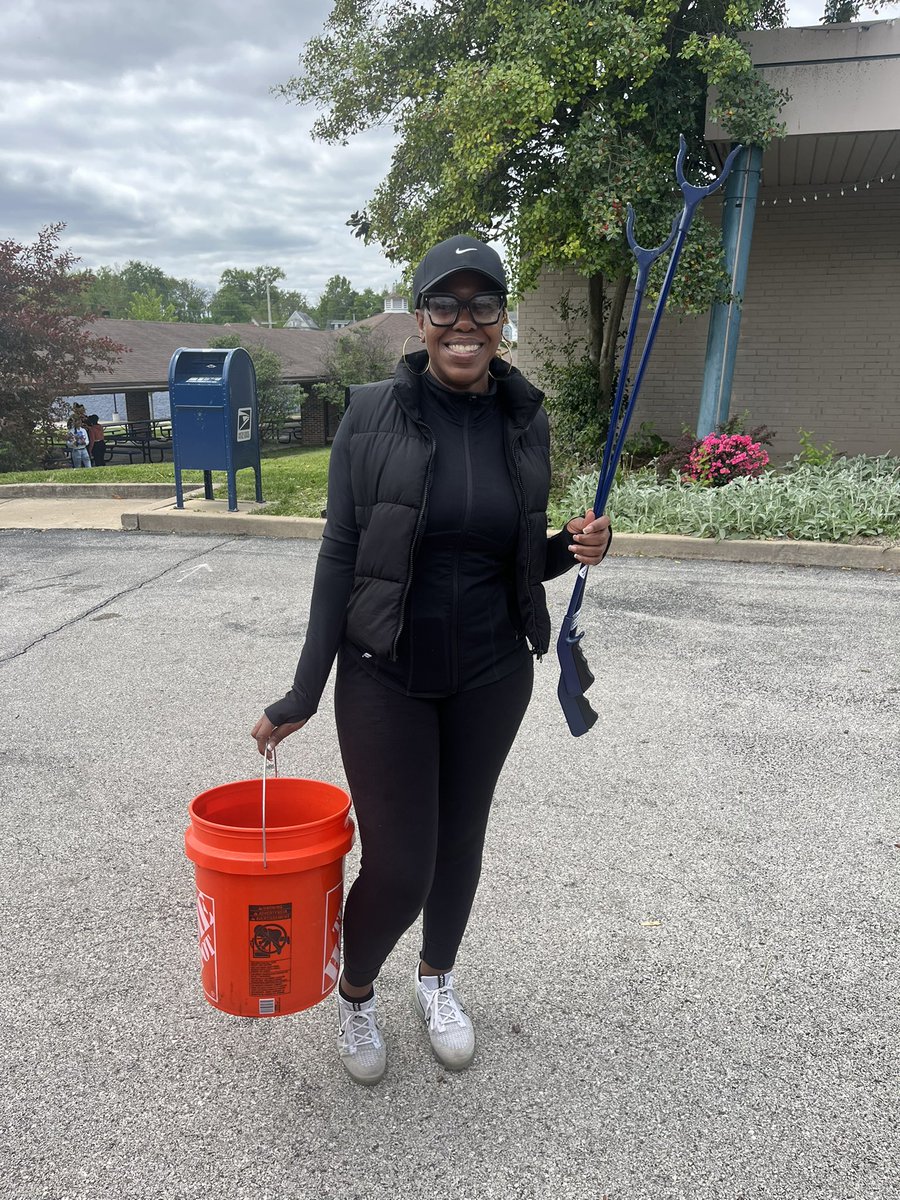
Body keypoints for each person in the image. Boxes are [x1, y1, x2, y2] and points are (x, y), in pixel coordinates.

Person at [252, 235, 611, 1086]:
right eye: (444, 306)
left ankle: (438, 980)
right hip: (387, 671)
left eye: (483, 305)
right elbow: (340, 554)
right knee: (403, 861)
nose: (464, 322)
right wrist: (307, 687)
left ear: (500, 322)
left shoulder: (526, 417)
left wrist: (576, 545)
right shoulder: (370, 413)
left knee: (461, 845)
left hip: (493, 672)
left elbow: (518, 551)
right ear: (419, 320)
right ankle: (358, 989)